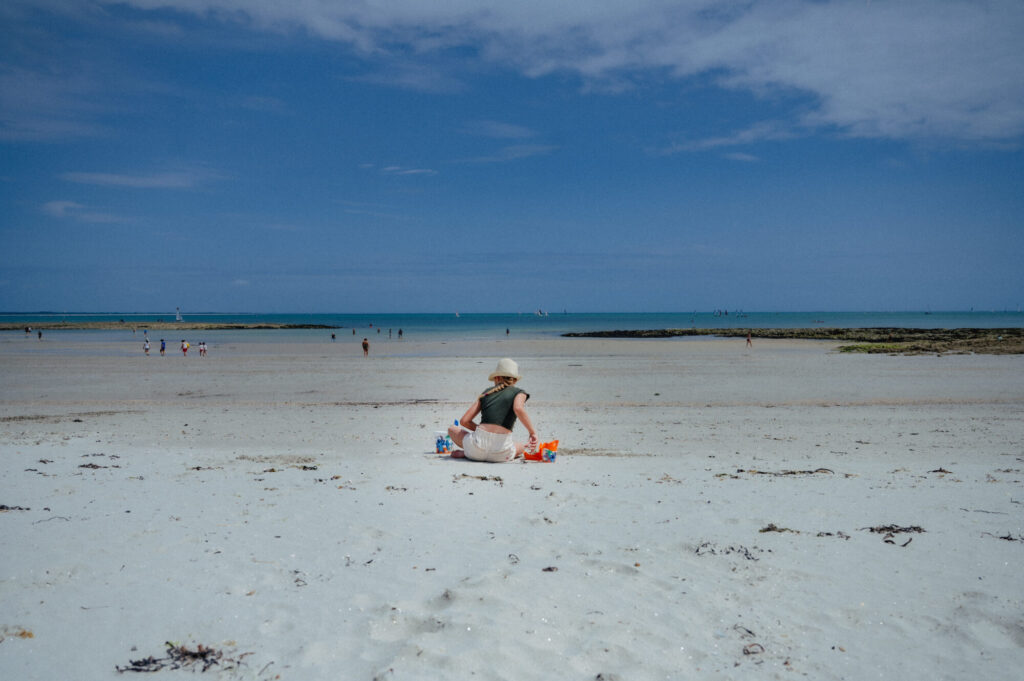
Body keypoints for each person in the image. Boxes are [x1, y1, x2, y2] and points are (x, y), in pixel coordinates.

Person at [447, 358, 538, 463]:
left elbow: (464, 421)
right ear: (515, 380)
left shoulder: (486, 393)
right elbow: (518, 408)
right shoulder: (519, 393)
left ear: (497, 378)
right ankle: (468, 453)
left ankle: (467, 453)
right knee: (521, 446)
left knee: (452, 429)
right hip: (502, 454)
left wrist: (480, 430)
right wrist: (532, 432)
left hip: (475, 450)